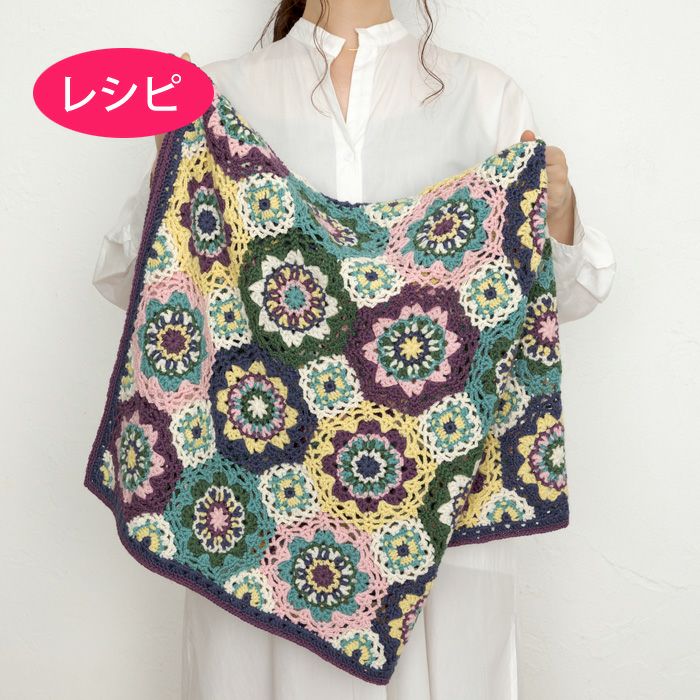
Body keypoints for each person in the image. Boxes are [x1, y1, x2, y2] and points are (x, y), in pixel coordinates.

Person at [92, 2, 617, 698]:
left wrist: (558, 212)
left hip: (443, 516)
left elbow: (558, 302)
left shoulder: (485, 97)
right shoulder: (219, 95)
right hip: (251, 515)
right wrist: (173, 171)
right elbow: (137, 287)